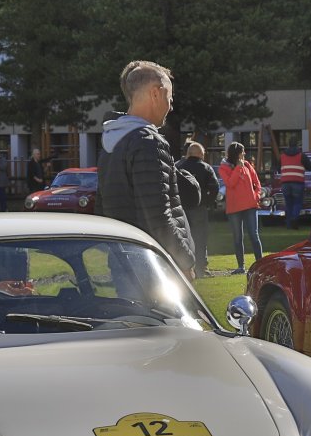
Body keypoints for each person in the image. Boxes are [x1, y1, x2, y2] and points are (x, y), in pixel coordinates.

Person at [96, 60, 196, 276]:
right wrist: (185, 263)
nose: (171, 106)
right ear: (156, 93)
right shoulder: (148, 141)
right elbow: (159, 216)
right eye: (170, 97)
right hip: (154, 267)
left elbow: (101, 208)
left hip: (123, 262)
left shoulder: (111, 142)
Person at [219, 141, 264, 274]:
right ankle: (241, 267)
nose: (244, 154)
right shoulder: (223, 168)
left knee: (254, 235)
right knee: (238, 237)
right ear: (236, 154)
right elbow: (230, 183)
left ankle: (260, 265)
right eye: (242, 152)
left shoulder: (248, 165)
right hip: (234, 208)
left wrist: (256, 196)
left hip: (250, 206)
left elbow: (257, 183)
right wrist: (238, 168)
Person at [177, 141, 220, 278]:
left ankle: (184, 268)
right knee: (200, 239)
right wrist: (207, 202)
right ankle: (201, 269)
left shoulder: (179, 167)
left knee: (183, 238)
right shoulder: (206, 168)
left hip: (182, 208)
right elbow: (215, 188)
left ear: (188, 153)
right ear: (201, 154)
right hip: (199, 208)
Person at [277, 139, 306, 227]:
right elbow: (310, 166)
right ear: (297, 145)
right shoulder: (302, 155)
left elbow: (278, 168)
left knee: (288, 203)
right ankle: (294, 218)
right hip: (298, 182)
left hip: (285, 183)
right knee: (297, 202)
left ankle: (289, 223)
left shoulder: (282, 156)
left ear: (288, 145)